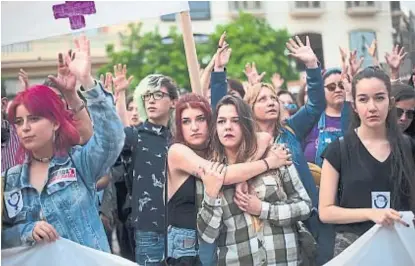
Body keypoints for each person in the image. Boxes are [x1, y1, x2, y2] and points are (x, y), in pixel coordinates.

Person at [1, 36, 125, 252]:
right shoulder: (10, 179)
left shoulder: (78, 161)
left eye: (34, 118)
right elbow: (3, 237)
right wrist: (26, 231)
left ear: (56, 123)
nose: (25, 128)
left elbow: (111, 139)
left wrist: (83, 84)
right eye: (19, 122)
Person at [167, 93, 289, 265]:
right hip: (186, 244)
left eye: (200, 119)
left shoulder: (215, 151)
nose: (194, 127)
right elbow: (221, 176)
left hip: (218, 239)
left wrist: (242, 179)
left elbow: (263, 137)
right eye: (186, 121)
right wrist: (269, 162)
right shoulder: (177, 151)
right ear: (179, 127)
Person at [197, 95, 312, 265]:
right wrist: (211, 195)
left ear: (246, 124)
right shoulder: (212, 171)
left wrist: (263, 209)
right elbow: (207, 234)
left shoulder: (276, 155)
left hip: (283, 259)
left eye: (235, 120)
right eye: (221, 121)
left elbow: (305, 206)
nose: (228, 126)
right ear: (215, 128)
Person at [319, 66, 415, 256]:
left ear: (390, 102)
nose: (372, 107)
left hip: (401, 244)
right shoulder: (338, 150)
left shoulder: (408, 146)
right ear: (354, 105)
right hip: (356, 247)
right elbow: (326, 211)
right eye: (363, 99)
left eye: (379, 98)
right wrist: (371, 213)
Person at [120, 74, 178, 265]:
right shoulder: (134, 136)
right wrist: (119, 94)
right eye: (147, 96)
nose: (151, 100)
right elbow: (109, 136)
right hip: (148, 231)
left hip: (182, 228)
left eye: (158, 95)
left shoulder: (181, 138)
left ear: (173, 102)